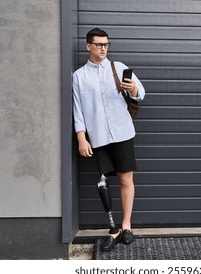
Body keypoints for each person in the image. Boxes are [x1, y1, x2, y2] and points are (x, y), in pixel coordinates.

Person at [72, 28, 145, 251]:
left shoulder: (119, 67)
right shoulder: (79, 76)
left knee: (125, 179)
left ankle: (126, 225)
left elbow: (141, 93)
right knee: (103, 184)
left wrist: (132, 88)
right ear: (88, 46)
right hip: (99, 136)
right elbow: (78, 110)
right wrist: (81, 138)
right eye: (99, 44)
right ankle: (112, 228)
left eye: (106, 44)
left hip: (122, 133)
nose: (103, 48)